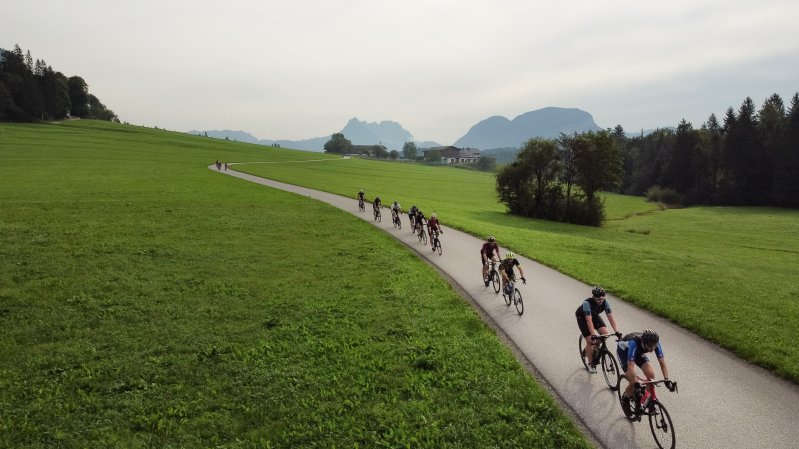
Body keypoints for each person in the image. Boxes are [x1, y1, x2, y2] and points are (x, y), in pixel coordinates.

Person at [617, 329, 675, 412]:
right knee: (633, 381)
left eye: (654, 346)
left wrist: (666, 379)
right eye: (649, 346)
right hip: (624, 352)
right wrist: (636, 384)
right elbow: (631, 367)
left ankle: (645, 401)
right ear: (643, 342)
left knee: (651, 376)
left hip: (638, 352)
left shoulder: (655, 343)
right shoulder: (634, 343)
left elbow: (662, 363)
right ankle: (625, 398)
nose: (652, 349)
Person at [576, 286, 621, 373]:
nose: (601, 301)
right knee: (590, 341)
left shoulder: (605, 302)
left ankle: (594, 348)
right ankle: (590, 364)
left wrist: (616, 331)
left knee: (605, 333)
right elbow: (589, 321)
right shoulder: (587, 303)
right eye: (598, 299)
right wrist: (593, 334)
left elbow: (610, 317)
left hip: (594, 315)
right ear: (593, 297)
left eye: (602, 299)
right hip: (583, 318)